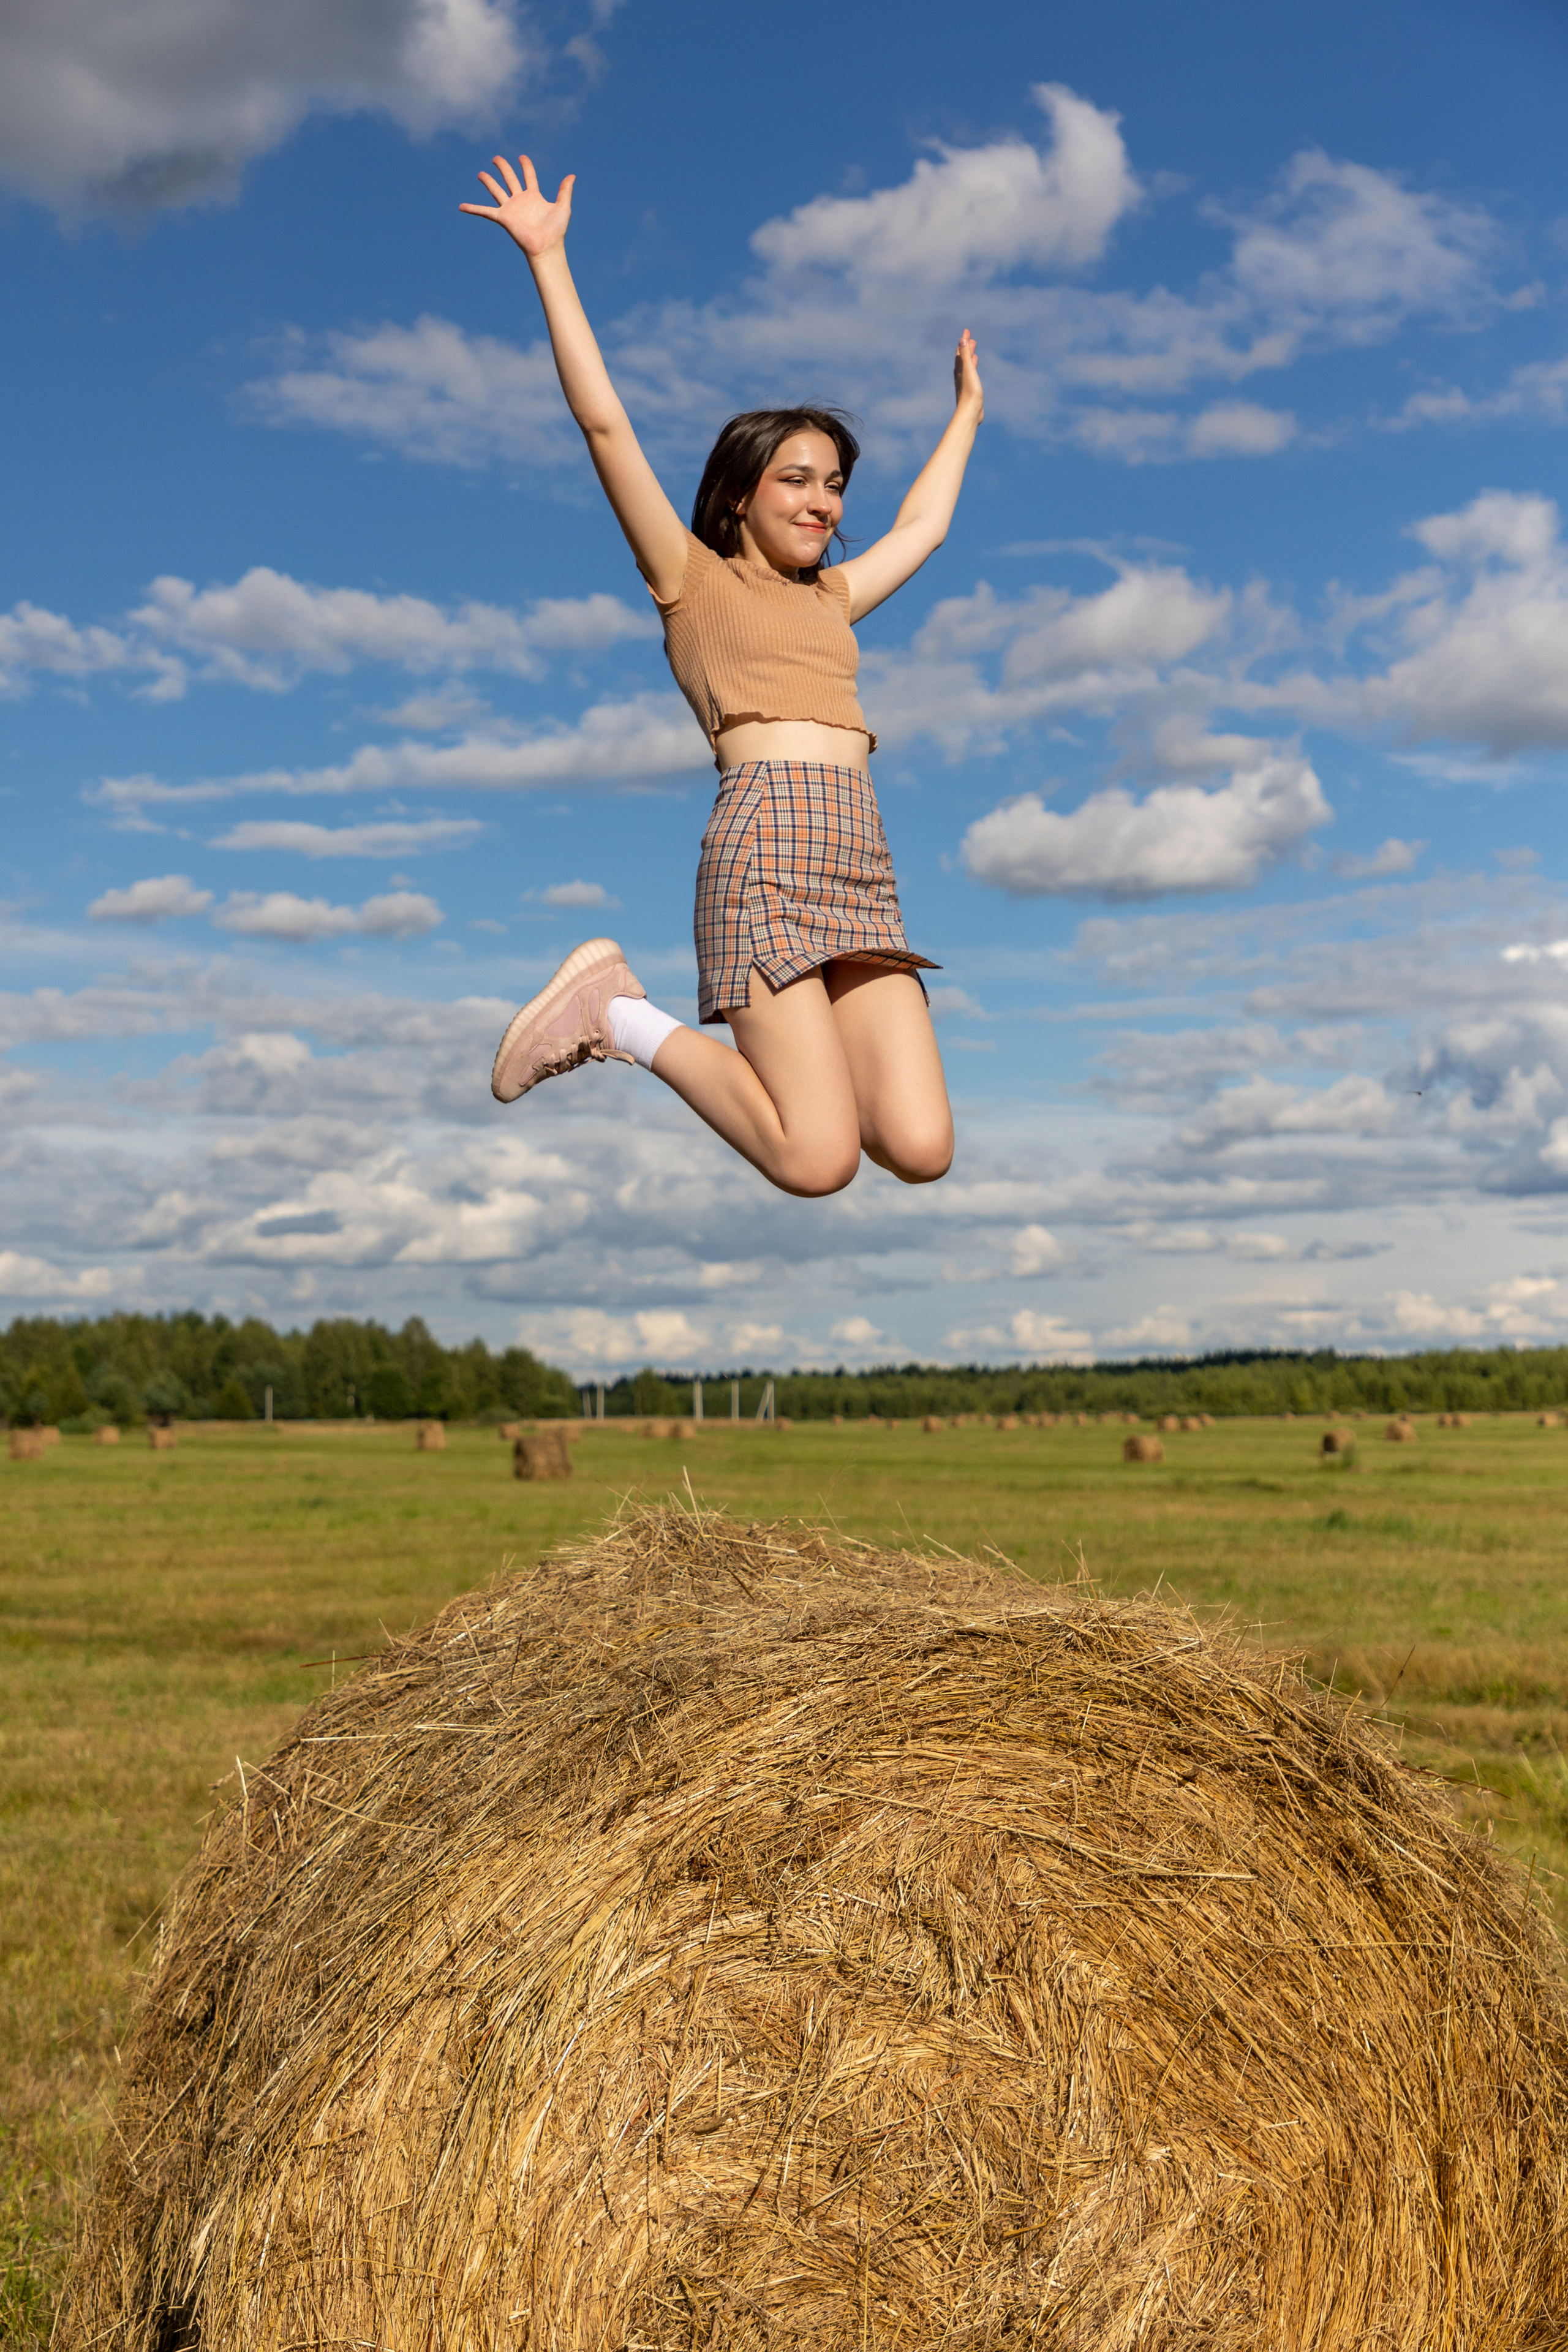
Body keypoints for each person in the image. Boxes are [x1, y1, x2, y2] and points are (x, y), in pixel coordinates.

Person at [462, 154, 984, 1198]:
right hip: (766, 851)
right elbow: (604, 424)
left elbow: (923, 529)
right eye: (797, 479)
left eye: (835, 485)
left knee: (921, 1148)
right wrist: (550, 262)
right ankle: (615, 1015)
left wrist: (967, 410)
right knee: (816, 1159)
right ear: (739, 494)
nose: (825, 502)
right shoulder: (689, 582)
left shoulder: (830, 600)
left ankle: (751, 1057)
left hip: (861, 861)